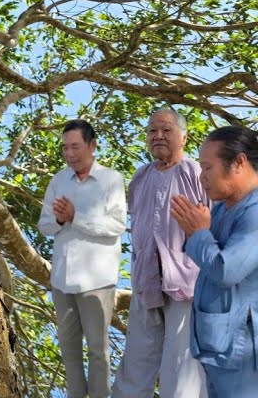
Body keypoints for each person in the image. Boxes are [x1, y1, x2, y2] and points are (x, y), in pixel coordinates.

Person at [111, 108, 208, 397]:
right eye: (152, 131)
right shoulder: (140, 177)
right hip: (146, 284)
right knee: (133, 370)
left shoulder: (195, 171)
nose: (158, 136)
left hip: (187, 282)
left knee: (181, 370)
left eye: (166, 130)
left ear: (184, 136)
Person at [38, 119, 127, 398]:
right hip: (62, 280)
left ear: (92, 146)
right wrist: (62, 220)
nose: (69, 154)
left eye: (75, 147)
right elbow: (44, 225)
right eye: (65, 148)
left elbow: (116, 225)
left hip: (97, 282)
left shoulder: (111, 179)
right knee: (69, 351)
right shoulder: (58, 180)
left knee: (98, 352)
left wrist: (76, 217)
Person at [172, 125, 258, 398]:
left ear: (239, 163)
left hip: (242, 353)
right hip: (217, 347)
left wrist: (198, 234)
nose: (202, 178)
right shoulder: (221, 207)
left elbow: (225, 269)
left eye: (207, 168)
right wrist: (197, 231)